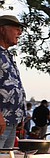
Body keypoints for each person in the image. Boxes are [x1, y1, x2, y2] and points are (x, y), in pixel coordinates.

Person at [0, 15, 26, 149]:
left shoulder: (7, 55)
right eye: (16, 29)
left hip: (11, 121)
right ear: (2, 29)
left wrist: (21, 115)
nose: (20, 33)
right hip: (2, 121)